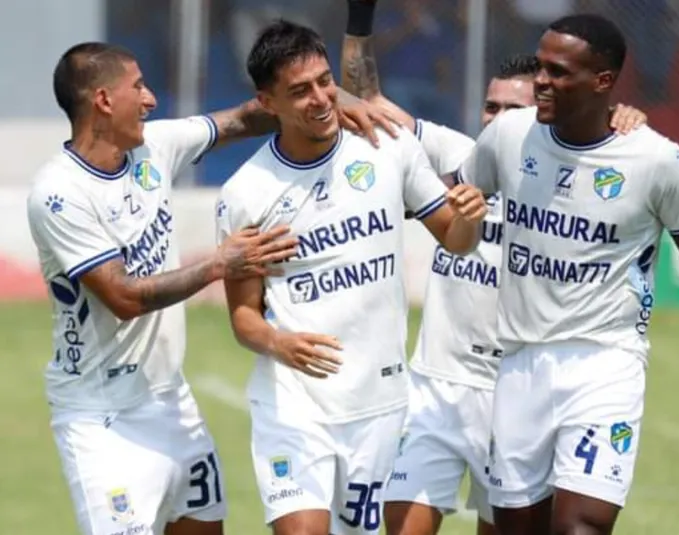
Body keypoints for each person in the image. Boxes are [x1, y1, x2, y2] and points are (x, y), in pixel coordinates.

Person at [26, 41, 399, 535]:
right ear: (103, 100)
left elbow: (247, 117)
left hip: (171, 403)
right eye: (138, 86)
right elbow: (123, 297)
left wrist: (333, 102)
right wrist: (219, 264)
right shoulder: (59, 194)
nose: (150, 98)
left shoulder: (155, 146)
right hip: (101, 420)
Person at [340, 3, 648, 535]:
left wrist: (624, 117)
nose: (496, 119)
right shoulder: (459, 153)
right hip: (436, 389)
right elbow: (365, 101)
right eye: (490, 106)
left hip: (515, 393)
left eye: (511, 109)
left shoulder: (574, 180)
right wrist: (360, 16)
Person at [215, 19, 488, 535]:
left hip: (378, 403)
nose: (321, 99)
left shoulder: (387, 147)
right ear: (267, 102)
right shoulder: (245, 193)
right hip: (293, 403)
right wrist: (278, 343)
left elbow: (456, 239)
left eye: (325, 82)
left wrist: (470, 217)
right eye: (300, 91)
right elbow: (244, 316)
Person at [457, 14, 679, 535]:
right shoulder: (508, 135)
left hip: (605, 362)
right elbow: (451, 198)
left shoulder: (657, 161)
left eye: (558, 71)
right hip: (520, 364)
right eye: (540, 67)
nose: (541, 81)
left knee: (580, 528)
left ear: (603, 81)